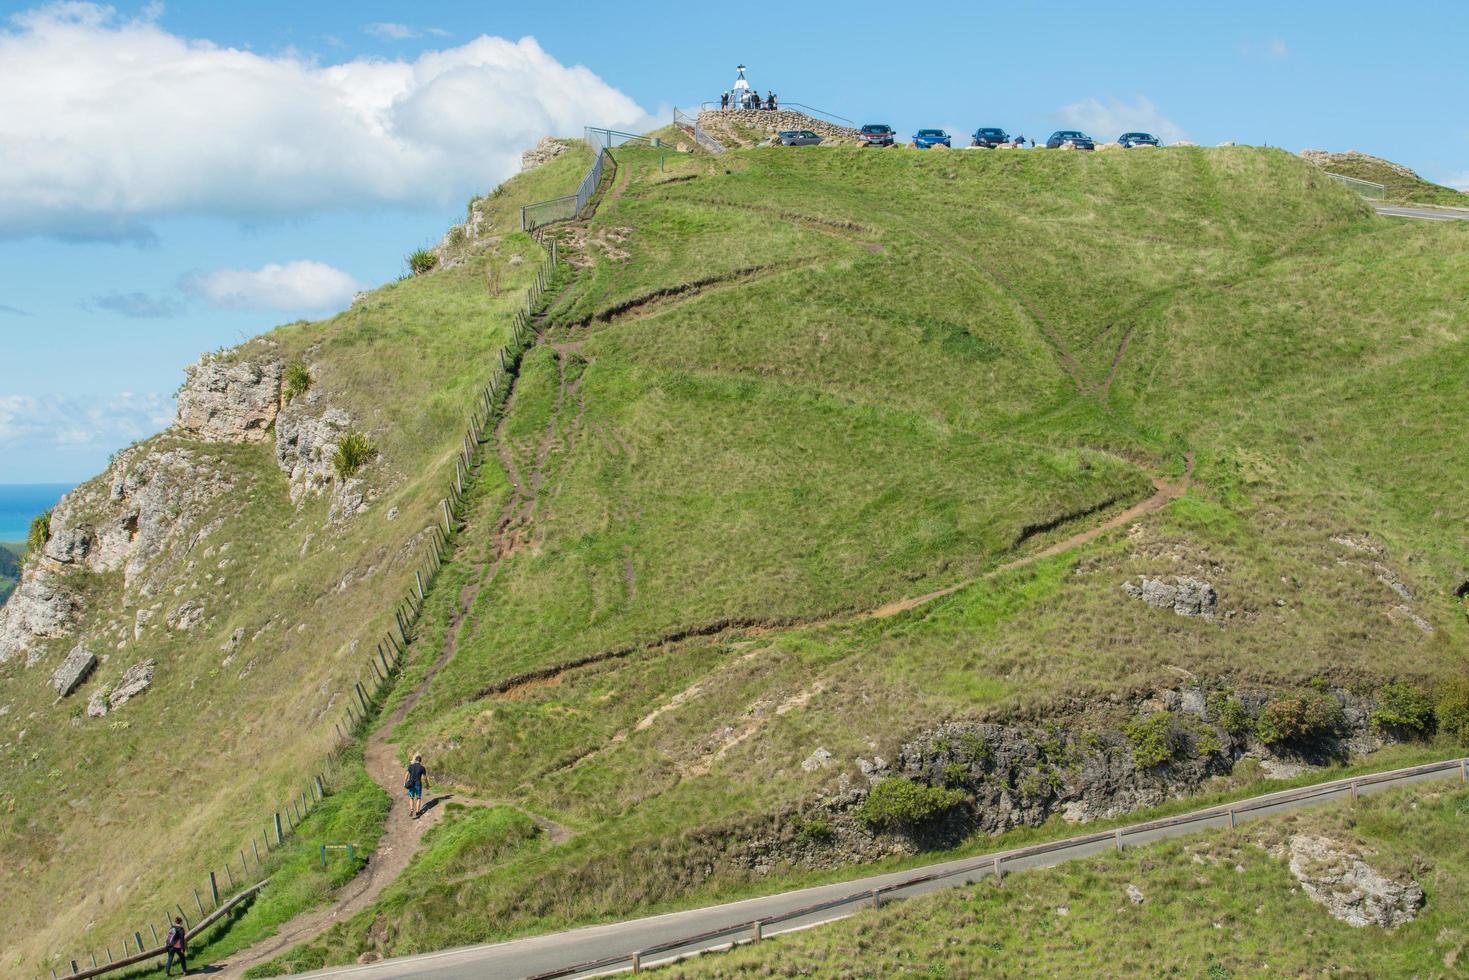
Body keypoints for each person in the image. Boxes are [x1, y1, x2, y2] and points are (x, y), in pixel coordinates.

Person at [405, 753, 427, 819]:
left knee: (411, 797)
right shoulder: (422, 768)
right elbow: (424, 778)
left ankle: (412, 809)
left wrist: (404, 783)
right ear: (420, 761)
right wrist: (427, 784)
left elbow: (406, 775)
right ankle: (417, 812)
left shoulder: (411, 766)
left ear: (415, 760)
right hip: (418, 784)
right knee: (418, 798)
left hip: (411, 783)